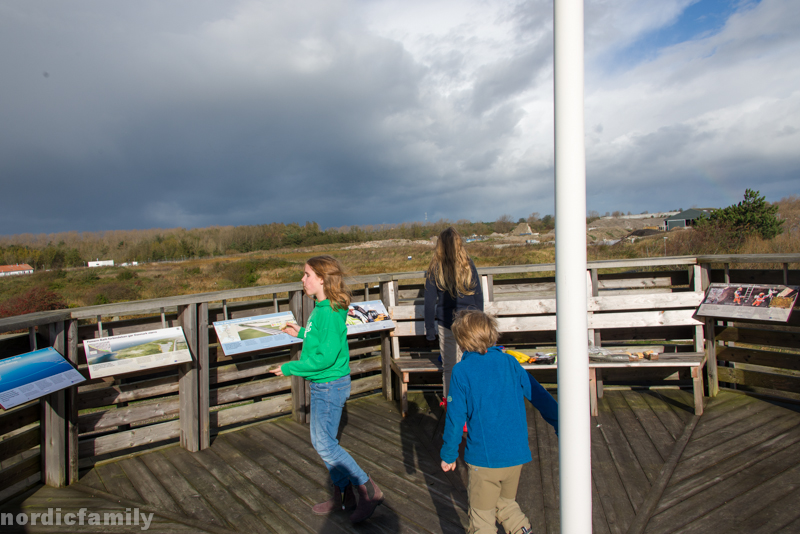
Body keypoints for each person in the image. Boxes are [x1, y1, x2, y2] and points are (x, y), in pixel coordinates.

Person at [276, 255, 383, 523]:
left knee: (325, 443)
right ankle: (343, 496)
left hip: (330, 384)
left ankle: (368, 490)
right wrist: (300, 332)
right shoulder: (321, 307)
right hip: (323, 384)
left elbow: (325, 357)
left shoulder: (333, 311)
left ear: (322, 279)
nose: (303, 279)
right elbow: (320, 340)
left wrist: (290, 368)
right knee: (323, 442)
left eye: (307, 274)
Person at [440, 310, 558, 534]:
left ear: (462, 342)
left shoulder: (462, 371)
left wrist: (449, 453)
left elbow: (455, 418)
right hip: (516, 456)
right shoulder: (510, 362)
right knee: (505, 504)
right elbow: (540, 395)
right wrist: (560, 423)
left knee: (481, 518)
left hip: (484, 461)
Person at [424, 227, 484, 402]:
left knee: (449, 367)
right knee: (469, 366)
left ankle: (451, 404)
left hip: (446, 323)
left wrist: (429, 329)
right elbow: (478, 296)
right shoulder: (468, 264)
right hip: (469, 324)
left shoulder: (435, 268)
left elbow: (429, 301)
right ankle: (469, 404)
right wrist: (480, 324)